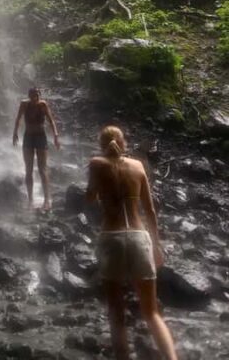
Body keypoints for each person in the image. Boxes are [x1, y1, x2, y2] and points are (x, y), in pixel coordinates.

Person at [86, 126, 178, 360]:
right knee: (151, 312)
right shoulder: (137, 166)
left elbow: (89, 198)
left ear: (101, 144)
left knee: (116, 313)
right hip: (139, 237)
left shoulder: (96, 164)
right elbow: (150, 211)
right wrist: (156, 246)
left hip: (111, 237)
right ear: (123, 142)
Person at [12, 87, 60, 210]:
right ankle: (30, 200)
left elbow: (51, 121)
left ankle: (46, 200)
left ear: (39, 96)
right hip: (28, 137)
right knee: (28, 169)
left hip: (40, 137)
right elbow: (18, 119)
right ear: (29, 96)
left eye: (37, 96)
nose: (35, 99)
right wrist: (15, 133)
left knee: (42, 169)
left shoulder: (43, 105)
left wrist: (55, 136)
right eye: (33, 96)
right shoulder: (24, 104)